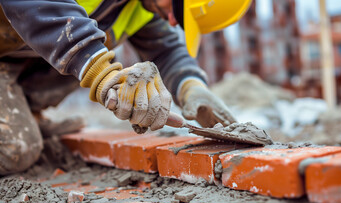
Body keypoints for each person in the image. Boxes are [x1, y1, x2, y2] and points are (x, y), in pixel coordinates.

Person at [0, 0, 252, 175]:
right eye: (177, 7)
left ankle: (23, 110)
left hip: (11, 66)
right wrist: (98, 69)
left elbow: (167, 49)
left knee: (93, 48)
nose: (173, 21)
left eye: (183, 20)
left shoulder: (138, 7)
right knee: (16, 150)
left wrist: (192, 86)